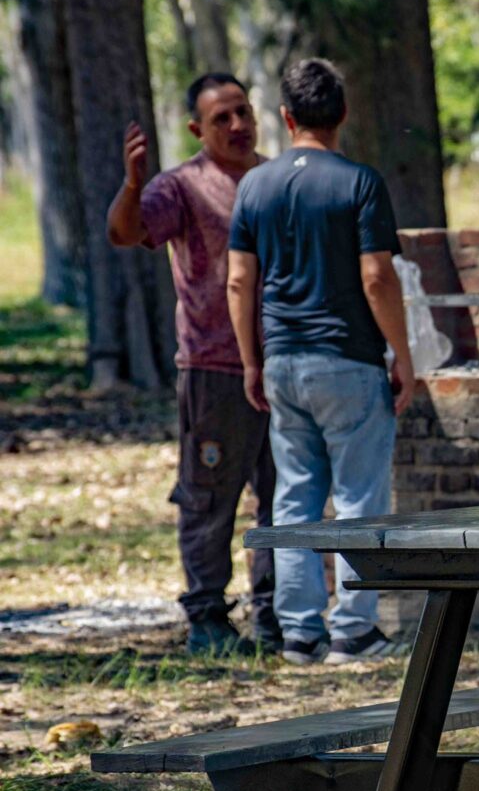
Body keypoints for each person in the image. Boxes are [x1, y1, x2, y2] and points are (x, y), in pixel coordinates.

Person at [227, 57, 416, 666]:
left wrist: (251, 361)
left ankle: (300, 632)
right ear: (344, 114)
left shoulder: (254, 186)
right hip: (349, 358)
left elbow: (239, 281)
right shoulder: (360, 182)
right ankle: (354, 630)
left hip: (283, 359)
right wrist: (402, 355)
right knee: (359, 498)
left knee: (294, 498)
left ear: (286, 117)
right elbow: (377, 276)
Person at [107, 73, 278, 657]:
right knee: (208, 496)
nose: (238, 125)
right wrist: (132, 184)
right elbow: (124, 232)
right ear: (196, 129)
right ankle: (208, 617)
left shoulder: (275, 179)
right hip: (214, 368)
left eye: (243, 112)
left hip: (283, 366)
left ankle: (275, 613)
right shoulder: (181, 186)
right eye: (221, 118)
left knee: (282, 498)